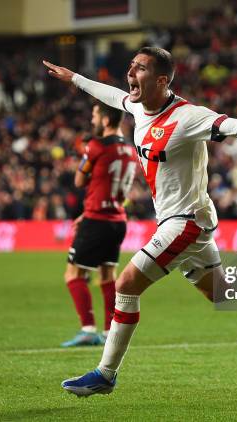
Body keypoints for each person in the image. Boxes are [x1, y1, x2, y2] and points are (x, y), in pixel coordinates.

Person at [43, 46, 237, 397]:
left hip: (186, 221)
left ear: (162, 80)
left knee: (126, 285)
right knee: (222, 293)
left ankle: (105, 373)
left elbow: (228, 125)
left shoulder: (187, 116)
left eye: (141, 69)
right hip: (177, 219)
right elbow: (111, 94)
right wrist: (73, 78)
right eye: (131, 67)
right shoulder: (136, 106)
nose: (132, 74)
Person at [61, 103, 137, 348]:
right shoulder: (129, 148)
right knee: (107, 276)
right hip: (117, 220)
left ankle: (87, 329)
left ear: (105, 120)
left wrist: (86, 152)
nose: (92, 119)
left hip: (97, 220)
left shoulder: (96, 146)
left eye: (94, 115)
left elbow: (79, 179)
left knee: (73, 273)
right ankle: (108, 332)